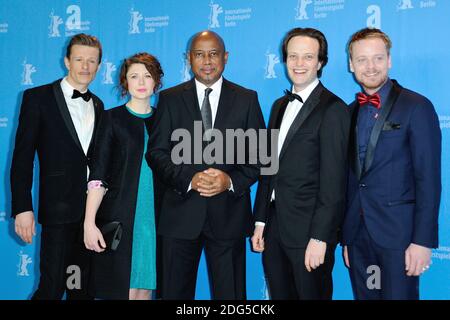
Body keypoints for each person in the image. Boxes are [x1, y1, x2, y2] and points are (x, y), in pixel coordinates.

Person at [146, 30, 266, 300]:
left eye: (213, 54)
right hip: (179, 217)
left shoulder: (247, 99)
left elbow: (261, 157)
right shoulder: (170, 98)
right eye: (199, 54)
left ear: (225, 57)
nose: (207, 61)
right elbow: (157, 153)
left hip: (229, 217)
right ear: (189, 59)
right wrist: (189, 179)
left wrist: (229, 181)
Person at [341, 28, 441, 300]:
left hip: (400, 238)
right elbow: (351, 179)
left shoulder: (416, 106)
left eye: (377, 58)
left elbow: (428, 179)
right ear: (351, 64)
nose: (370, 67)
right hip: (359, 237)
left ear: (389, 60)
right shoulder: (349, 113)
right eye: (361, 60)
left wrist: (422, 241)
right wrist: (347, 238)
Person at [252, 27, 350, 300]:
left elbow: (334, 183)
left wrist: (320, 238)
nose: (298, 63)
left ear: (320, 62)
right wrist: (260, 221)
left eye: (308, 57)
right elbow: (268, 167)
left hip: (310, 235)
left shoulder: (334, 109)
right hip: (274, 231)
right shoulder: (278, 106)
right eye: (293, 56)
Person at [10, 33, 104, 299]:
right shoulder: (37, 98)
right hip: (57, 212)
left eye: (91, 61)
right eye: (79, 59)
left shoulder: (99, 105)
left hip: (90, 216)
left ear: (98, 66)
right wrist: (23, 208)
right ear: (67, 61)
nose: (85, 66)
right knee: (51, 288)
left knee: (80, 289)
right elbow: (22, 158)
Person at [83, 52, 163, 300]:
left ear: (156, 82)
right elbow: (98, 175)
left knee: (145, 289)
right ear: (124, 82)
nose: (141, 82)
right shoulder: (111, 118)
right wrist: (89, 222)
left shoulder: (165, 119)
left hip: (157, 220)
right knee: (123, 291)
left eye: (147, 76)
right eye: (134, 76)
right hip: (121, 220)